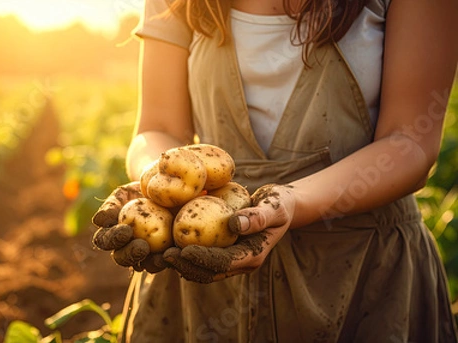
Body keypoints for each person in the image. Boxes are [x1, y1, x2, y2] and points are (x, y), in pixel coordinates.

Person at [91, 0, 458, 341]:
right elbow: (157, 128)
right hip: (199, 265)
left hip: (363, 273)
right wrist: (152, 184)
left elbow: (410, 143)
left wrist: (295, 202)